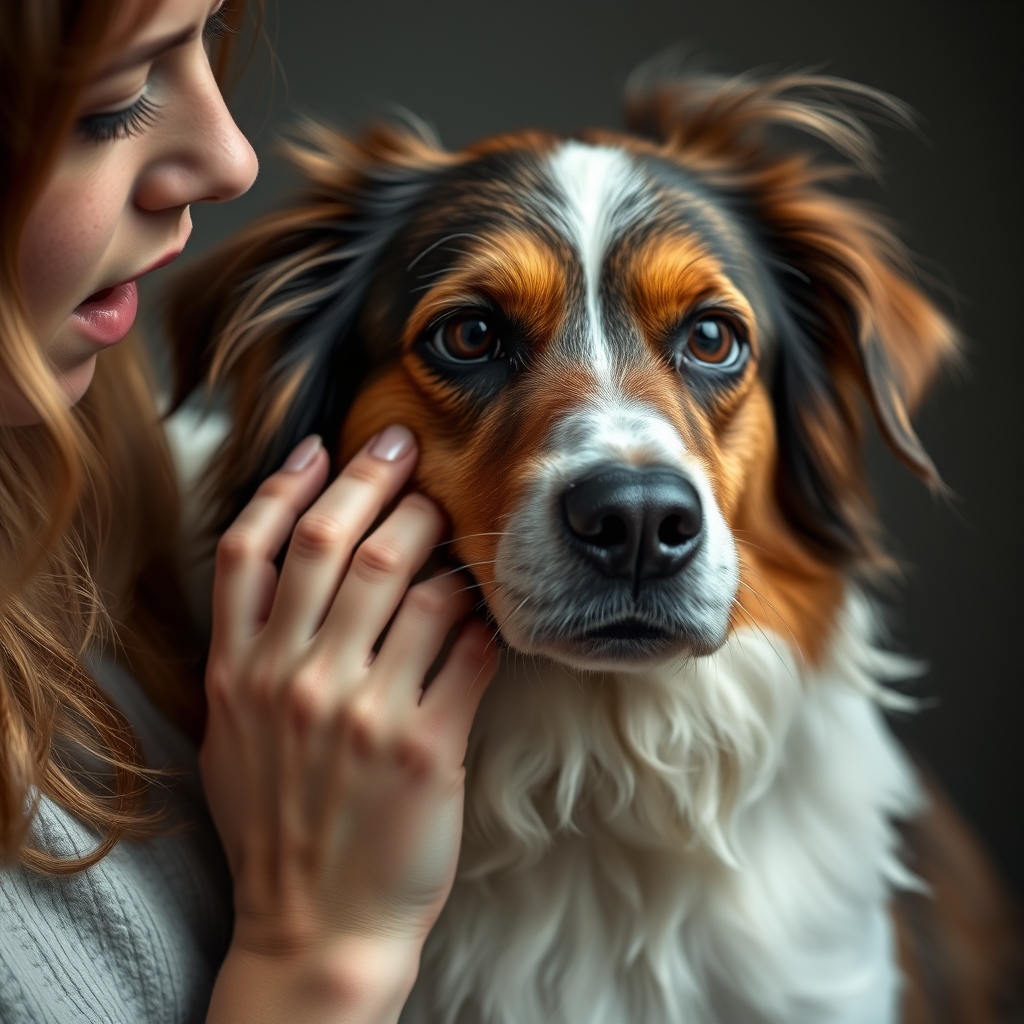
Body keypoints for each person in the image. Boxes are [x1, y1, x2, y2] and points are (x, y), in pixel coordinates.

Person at [0, 1, 497, 1022]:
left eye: (209, 30)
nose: (232, 158)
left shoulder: (108, 480)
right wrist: (317, 960)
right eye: (113, 101)